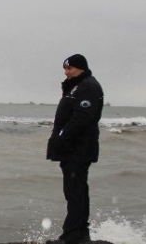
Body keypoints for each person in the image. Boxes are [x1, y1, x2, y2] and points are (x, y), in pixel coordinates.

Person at [46, 54, 104, 244]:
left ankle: (71, 236)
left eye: (69, 68)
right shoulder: (76, 86)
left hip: (78, 149)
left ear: (80, 68)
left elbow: (82, 117)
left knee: (75, 193)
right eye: (65, 68)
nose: (66, 72)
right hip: (73, 149)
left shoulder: (88, 86)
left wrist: (63, 137)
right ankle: (81, 234)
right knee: (77, 191)